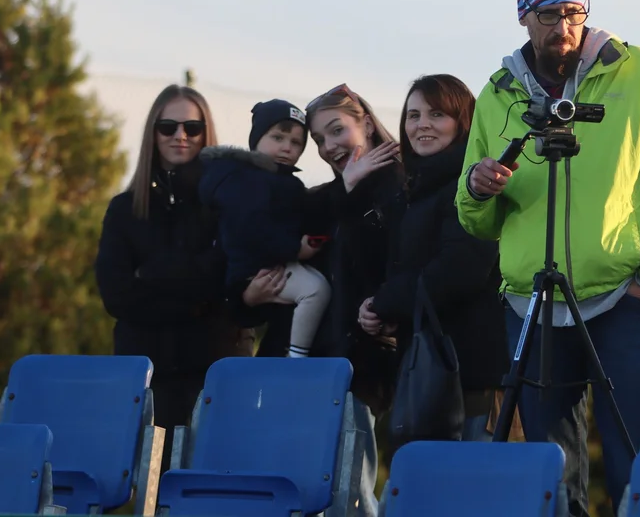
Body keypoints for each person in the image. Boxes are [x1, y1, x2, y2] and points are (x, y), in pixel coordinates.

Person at [455, 0, 640, 517]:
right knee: (551, 472)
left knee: (637, 462)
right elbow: (476, 220)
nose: (562, 27)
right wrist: (477, 186)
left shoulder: (636, 70)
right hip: (532, 303)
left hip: (623, 298)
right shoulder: (497, 93)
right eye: (548, 14)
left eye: (573, 12)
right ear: (523, 16)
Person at [94, 85, 254, 468]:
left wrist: (151, 274)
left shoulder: (227, 205)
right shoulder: (124, 210)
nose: (180, 136)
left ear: (205, 132)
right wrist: (196, 295)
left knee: (210, 491)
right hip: (149, 379)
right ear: (153, 133)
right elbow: (117, 296)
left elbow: (227, 281)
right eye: (167, 127)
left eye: (192, 127)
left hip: (216, 372)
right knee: (152, 489)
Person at [360, 74, 509, 442]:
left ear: (464, 123)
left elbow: (460, 270)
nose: (422, 124)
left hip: (473, 377)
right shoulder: (416, 191)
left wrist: (383, 304)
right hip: (430, 374)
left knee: (470, 491)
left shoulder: (473, 185)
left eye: (437, 114)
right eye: (413, 115)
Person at [304, 83, 404, 517]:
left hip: (376, 355)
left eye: (336, 130)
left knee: (353, 489)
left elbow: (386, 260)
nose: (329, 146)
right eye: (319, 140)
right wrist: (347, 186)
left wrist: (384, 308)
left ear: (364, 120)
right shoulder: (338, 192)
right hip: (337, 357)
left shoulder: (396, 183)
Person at [197, 99, 332, 358]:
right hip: (255, 268)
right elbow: (250, 229)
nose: (286, 147)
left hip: (270, 263)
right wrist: (295, 248)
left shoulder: (281, 182)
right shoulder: (246, 180)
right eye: (278, 137)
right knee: (316, 290)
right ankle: (296, 356)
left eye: (296, 143)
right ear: (256, 139)